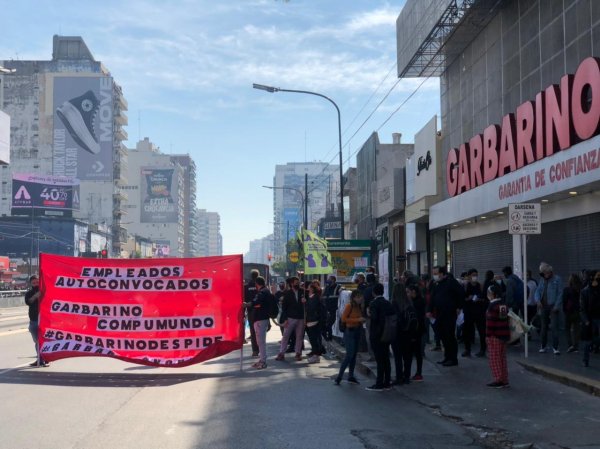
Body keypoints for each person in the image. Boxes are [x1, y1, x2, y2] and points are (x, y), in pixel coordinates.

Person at [427, 265, 465, 366]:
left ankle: (453, 359)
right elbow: (432, 298)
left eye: (436, 273)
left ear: (442, 273)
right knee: (442, 335)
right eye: (433, 273)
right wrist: (429, 310)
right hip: (439, 313)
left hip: (450, 313)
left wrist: (459, 307)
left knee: (449, 336)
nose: (434, 275)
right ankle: (447, 357)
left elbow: (461, 293)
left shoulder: (451, 282)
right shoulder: (436, 284)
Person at [366, 283, 393, 391]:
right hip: (387, 334)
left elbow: (375, 317)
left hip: (377, 335)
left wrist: (369, 313)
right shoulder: (387, 303)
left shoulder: (374, 303)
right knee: (386, 359)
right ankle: (387, 382)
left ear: (373, 293)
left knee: (379, 360)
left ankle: (379, 383)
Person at [334, 290, 365, 385]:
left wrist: (361, 320)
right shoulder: (349, 306)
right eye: (359, 297)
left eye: (361, 297)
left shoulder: (359, 307)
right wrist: (357, 319)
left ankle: (351, 376)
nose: (361, 299)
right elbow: (343, 318)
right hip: (349, 332)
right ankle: (339, 376)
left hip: (357, 331)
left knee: (354, 355)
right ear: (354, 297)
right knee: (349, 355)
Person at [390, 282, 418, 385]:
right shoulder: (409, 302)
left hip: (397, 333)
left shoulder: (393, 303)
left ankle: (399, 377)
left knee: (398, 357)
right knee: (407, 356)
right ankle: (407, 376)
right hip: (408, 333)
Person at [534, 262, 563, 354]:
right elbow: (537, 291)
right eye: (543, 273)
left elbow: (560, 293)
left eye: (545, 273)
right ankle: (543, 346)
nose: (544, 275)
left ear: (550, 272)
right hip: (543, 306)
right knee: (543, 327)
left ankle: (555, 347)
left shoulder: (557, 279)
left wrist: (557, 306)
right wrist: (538, 300)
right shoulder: (542, 280)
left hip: (553, 306)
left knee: (554, 327)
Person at [485, 284, 510, 388]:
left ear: (492, 294)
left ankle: (498, 379)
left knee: (494, 358)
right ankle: (504, 379)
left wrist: (487, 335)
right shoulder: (503, 305)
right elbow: (504, 319)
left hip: (494, 335)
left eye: (489, 293)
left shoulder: (492, 306)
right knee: (502, 358)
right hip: (503, 334)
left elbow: (490, 322)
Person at [275, 277, 305, 361]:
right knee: (285, 336)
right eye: (296, 282)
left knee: (299, 336)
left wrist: (305, 301)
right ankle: (281, 353)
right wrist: (285, 319)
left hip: (301, 318)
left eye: (298, 282)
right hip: (290, 318)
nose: (297, 284)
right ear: (292, 283)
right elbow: (284, 308)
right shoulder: (287, 294)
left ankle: (298, 353)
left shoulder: (303, 292)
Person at [24, 275, 48, 367]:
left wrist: (42, 294)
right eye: (33, 283)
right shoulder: (29, 293)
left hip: (44, 319)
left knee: (43, 340)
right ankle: (41, 358)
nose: (35, 284)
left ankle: (43, 358)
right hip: (34, 320)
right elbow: (28, 302)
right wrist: (35, 296)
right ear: (31, 283)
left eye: (37, 282)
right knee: (37, 341)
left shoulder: (44, 291)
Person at [462, 268, 487, 357]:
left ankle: (483, 349)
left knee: (482, 331)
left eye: (476, 275)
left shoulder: (480, 286)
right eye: (473, 275)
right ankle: (467, 349)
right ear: (469, 276)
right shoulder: (465, 286)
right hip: (468, 312)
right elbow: (462, 299)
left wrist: (479, 299)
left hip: (479, 312)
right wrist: (468, 298)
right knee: (467, 331)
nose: (475, 277)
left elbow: (484, 298)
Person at [251, 276, 272, 369]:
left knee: (261, 341)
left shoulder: (262, 292)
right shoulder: (266, 291)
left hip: (261, 319)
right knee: (260, 340)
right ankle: (262, 359)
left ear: (257, 284)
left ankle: (263, 361)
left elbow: (256, 302)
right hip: (262, 319)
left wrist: (249, 304)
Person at [580, 270, 600, 367]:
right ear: (592, 277)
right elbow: (582, 308)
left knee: (597, 339)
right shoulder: (585, 291)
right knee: (588, 341)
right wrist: (586, 320)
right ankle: (585, 359)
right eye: (598, 275)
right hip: (590, 319)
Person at [407, 284, 426, 381]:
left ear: (413, 292)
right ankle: (417, 372)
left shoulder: (416, 303)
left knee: (416, 352)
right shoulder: (418, 301)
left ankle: (417, 373)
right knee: (417, 353)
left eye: (408, 292)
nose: (407, 294)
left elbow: (416, 319)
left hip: (416, 331)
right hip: (419, 330)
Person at [305, 283, 325, 363]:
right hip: (310, 320)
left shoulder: (315, 297)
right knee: (312, 339)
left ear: (312, 289)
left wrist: (305, 303)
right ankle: (315, 354)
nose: (307, 289)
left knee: (314, 339)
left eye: (309, 288)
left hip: (314, 320)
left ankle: (316, 355)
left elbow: (312, 308)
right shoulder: (310, 297)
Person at [563, 273, 582, 353]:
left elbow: (564, 301)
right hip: (577, 311)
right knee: (576, 330)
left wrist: (564, 310)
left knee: (567, 329)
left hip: (569, 312)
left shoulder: (567, 290)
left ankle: (570, 345)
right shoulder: (579, 289)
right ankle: (576, 346)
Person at [243, 269, 260, 357]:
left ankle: (255, 350)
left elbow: (244, 300)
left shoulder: (246, 287)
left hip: (251, 312)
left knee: (253, 332)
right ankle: (261, 348)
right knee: (261, 331)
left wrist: (243, 313)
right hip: (261, 311)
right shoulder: (261, 286)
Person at [322, 275, 342, 342]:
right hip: (326, 307)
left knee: (331, 321)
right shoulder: (327, 286)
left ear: (333, 280)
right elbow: (323, 295)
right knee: (327, 322)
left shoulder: (338, 286)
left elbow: (340, 292)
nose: (328, 280)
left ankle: (326, 333)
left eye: (329, 279)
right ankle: (329, 337)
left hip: (333, 307)